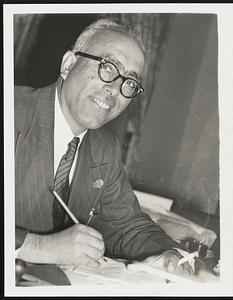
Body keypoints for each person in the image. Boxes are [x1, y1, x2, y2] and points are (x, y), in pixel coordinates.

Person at [15, 18, 202, 277]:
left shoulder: (105, 147)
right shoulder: (12, 112)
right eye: (108, 67)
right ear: (68, 64)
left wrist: (171, 255)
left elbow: (128, 225)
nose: (115, 88)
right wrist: (40, 247)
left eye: (129, 83)